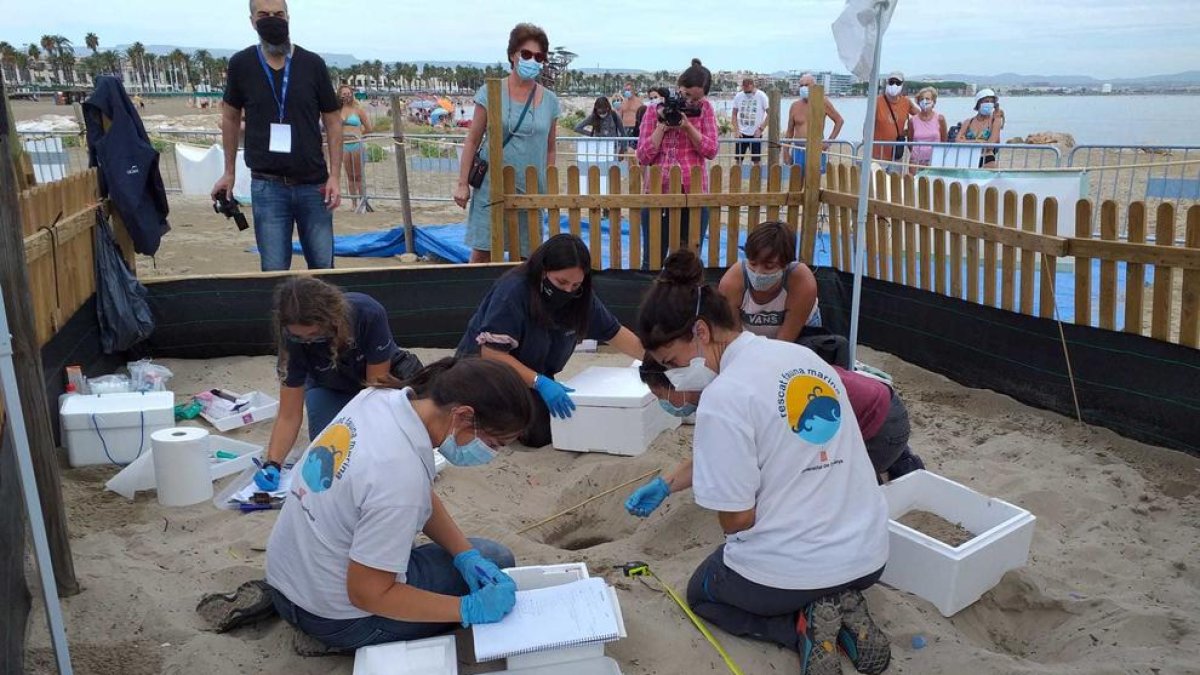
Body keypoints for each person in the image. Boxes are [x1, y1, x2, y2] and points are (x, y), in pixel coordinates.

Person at [626, 250, 892, 675]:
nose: (676, 375)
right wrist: (672, 480)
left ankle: (799, 627)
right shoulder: (802, 359)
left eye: (673, 363)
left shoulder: (722, 397)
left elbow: (737, 521)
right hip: (870, 556)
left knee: (703, 594)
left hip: (792, 571)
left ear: (700, 331)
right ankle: (837, 606)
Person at [266, 357, 533, 650]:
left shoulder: (380, 399)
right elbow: (368, 595)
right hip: (334, 618)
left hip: (286, 580)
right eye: (492, 444)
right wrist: (467, 609)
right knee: (498, 559)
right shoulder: (399, 476)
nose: (489, 454)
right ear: (463, 415)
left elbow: (415, 494)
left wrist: (465, 555)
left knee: (482, 557)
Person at [456, 234, 644, 447]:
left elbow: (614, 332)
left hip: (532, 376)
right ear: (543, 270)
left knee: (555, 423)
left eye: (575, 285)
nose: (567, 290)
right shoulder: (514, 291)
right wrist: (539, 382)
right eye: (561, 282)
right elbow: (491, 353)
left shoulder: (579, 297)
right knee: (534, 429)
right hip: (487, 375)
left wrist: (655, 360)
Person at [252, 277, 423, 492]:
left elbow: (374, 391)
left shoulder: (367, 312)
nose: (308, 341)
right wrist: (273, 463)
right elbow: (289, 414)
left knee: (387, 443)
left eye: (314, 334)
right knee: (330, 454)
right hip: (329, 387)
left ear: (332, 319)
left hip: (378, 382)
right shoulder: (292, 341)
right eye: (299, 336)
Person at [212, 0, 343, 271]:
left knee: (323, 268)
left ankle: (324, 316)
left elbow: (332, 120)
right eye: (263, 15)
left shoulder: (312, 64)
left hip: (314, 185)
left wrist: (335, 177)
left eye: (278, 14)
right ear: (252, 21)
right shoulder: (241, 64)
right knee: (273, 271)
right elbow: (230, 117)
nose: (272, 20)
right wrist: (229, 172)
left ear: (288, 18)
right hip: (267, 187)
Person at [453, 23, 560, 264]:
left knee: (527, 259)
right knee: (482, 254)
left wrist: (548, 183)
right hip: (492, 188)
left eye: (538, 56)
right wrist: (462, 184)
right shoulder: (490, 92)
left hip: (531, 190)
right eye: (526, 54)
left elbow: (551, 147)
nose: (532, 60)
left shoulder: (551, 101)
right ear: (513, 55)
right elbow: (472, 140)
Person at [636, 60, 719, 268]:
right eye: (686, 95)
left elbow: (711, 151)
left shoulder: (705, 110)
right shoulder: (654, 110)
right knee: (652, 259)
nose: (690, 102)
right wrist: (662, 126)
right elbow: (643, 156)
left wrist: (688, 128)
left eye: (696, 98)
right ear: (678, 88)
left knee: (689, 261)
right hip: (657, 194)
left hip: (694, 193)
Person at [785, 73, 845, 176]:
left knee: (814, 181)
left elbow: (839, 121)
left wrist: (828, 143)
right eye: (801, 86)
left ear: (813, 86)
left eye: (806, 85)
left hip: (816, 149)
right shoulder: (794, 106)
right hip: (798, 149)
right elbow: (790, 131)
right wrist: (785, 151)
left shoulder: (823, 102)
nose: (803, 88)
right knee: (797, 181)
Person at [338, 84, 374, 211]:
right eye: (344, 94)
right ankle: (353, 203)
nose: (346, 96)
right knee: (350, 176)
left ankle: (362, 200)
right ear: (340, 95)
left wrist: (358, 135)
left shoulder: (358, 110)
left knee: (359, 175)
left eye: (348, 93)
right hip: (344, 145)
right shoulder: (337, 110)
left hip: (356, 144)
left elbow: (369, 128)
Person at [871, 71, 918, 166]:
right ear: (887, 83)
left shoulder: (906, 102)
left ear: (902, 85)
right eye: (891, 82)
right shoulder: (877, 101)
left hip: (896, 154)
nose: (894, 85)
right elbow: (867, 125)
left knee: (895, 180)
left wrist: (909, 131)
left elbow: (921, 117)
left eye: (898, 83)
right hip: (877, 155)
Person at [957, 88, 1003, 167]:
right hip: (968, 158)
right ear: (979, 103)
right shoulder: (968, 121)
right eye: (986, 101)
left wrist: (967, 142)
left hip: (987, 158)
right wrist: (979, 142)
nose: (989, 104)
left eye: (992, 102)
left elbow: (990, 145)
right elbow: (958, 141)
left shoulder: (995, 121)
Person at [907, 86, 947, 173]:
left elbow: (944, 140)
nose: (925, 101)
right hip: (916, 161)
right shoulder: (912, 121)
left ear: (933, 102)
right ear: (918, 101)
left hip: (935, 161)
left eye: (928, 98)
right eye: (922, 99)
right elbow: (910, 142)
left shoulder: (940, 119)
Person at [731, 77, 769, 165]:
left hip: (756, 134)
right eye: (745, 90)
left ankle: (756, 178)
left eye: (749, 90)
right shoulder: (739, 96)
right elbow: (734, 114)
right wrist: (736, 130)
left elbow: (770, 114)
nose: (747, 93)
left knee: (756, 161)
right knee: (738, 160)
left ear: (753, 86)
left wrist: (761, 129)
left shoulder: (761, 96)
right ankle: (737, 178)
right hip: (741, 134)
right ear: (742, 87)